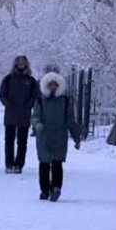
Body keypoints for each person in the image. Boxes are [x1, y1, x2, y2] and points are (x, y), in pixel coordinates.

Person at [32, 71, 82, 201]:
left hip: (60, 136)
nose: (52, 87)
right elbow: (35, 115)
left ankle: (56, 188)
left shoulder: (65, 101)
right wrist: (37, 124)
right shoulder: (40, 101)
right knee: (44, 164)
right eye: (50, 85)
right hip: (44, 136)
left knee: (57, 164)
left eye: (55, 85)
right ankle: (44, 190)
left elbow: (70, 120)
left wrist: (76, 136)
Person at [0, 55, 39, 172]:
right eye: (19, 63)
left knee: (22, 142)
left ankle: (19, 165)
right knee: (9, 141)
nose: (21, 65)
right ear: (15, 64)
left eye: (23, 63)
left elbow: (35, 95)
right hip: (10, 114)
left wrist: (28, 105)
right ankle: (9, 164)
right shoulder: (8, 79)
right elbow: (2, 94)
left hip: (24, 114)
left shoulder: (31, 80)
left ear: (26, 64)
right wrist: (8, 104)